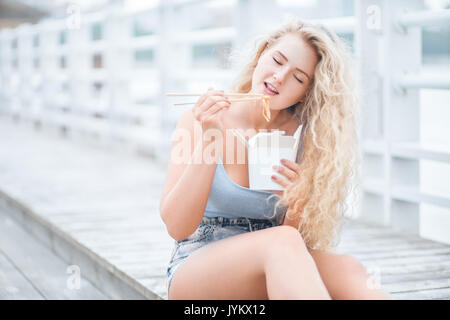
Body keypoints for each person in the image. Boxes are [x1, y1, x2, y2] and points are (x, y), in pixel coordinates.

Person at [159, 17, 392, 300]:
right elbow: (177, 227)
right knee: (280, 243)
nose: (280, 77)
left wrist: (296, 205)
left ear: (306, 94)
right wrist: (210, 139)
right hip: (197, 267)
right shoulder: (204, 117)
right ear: (261, 54)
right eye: (277, 60)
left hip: (270, 261)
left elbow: (294, 250)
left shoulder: (305, 139)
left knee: (348, 269)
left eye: (298, 78)